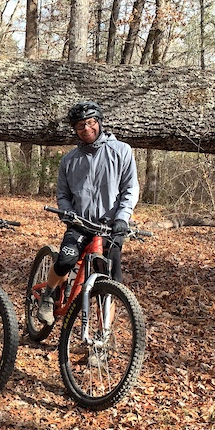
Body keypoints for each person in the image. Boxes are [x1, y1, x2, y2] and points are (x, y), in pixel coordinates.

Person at [37, 100, 140, 326]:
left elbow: (130, 189)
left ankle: (103, 338)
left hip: (111, 226)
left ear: (100, 123)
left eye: (91, 123)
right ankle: (48, 295)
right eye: (81, 125)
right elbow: (63, 194)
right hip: (79, 222)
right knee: (65, 260)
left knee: (110, 282)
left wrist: (123, 217)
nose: (87, 129)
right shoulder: (69, 160)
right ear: (75, 129)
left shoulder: (121, 151)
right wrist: (68, 213)